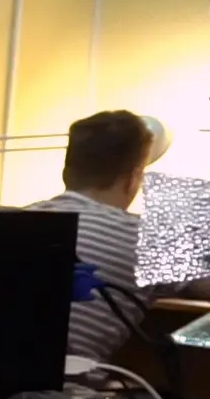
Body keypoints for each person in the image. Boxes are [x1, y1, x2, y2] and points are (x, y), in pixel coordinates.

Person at [26, 110, 210, 362]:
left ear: (67, 171)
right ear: (132, 179)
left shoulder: (13, 221)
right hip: (65, 384)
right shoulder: (146, 238)